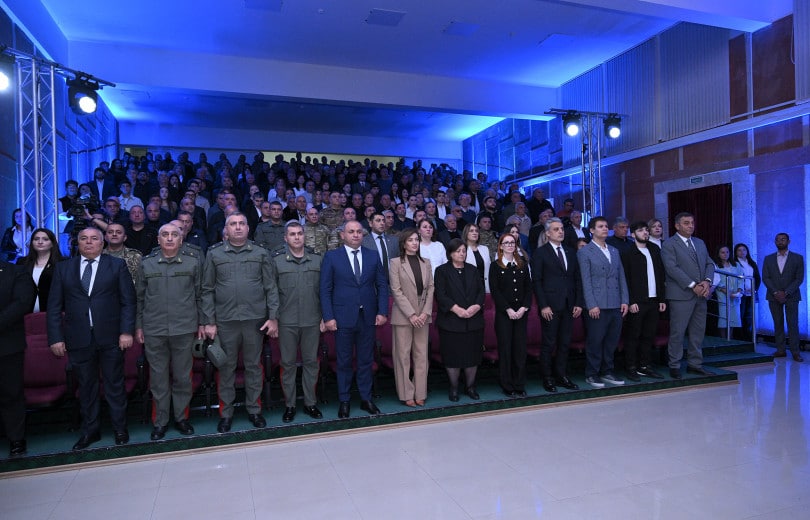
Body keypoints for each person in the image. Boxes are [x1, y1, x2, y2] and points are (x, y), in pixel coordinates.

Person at [47, 227, 136, 450]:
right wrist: (56, 338)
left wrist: (126, 331)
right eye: (84, 239)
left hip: (111, 337)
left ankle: (119, 428)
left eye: (94, 239)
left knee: (114, 385)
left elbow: (128, 301)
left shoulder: (116, 265)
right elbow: (54, 307)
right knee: (86, 387)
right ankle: (90, 431)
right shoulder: (63, 268)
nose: (89, 242)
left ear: (102, 242)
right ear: (76, 243)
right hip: (78, 338)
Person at [201, 213, 277, 432]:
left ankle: (254, 410)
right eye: (233, 224)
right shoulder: (214, 254)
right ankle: (226, 414)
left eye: (242, 223)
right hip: (226, 322)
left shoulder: (261, 253)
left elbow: (271, 287)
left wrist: (273, 318)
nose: (237, 227)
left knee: (254, 367)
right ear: (226, 229)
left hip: (255, 321)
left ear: (248, 228)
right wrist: (209, 321)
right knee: (226, 368)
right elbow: (207, 290)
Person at [136, 223, 203, 440]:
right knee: (158, 379)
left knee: (183, 377)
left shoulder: (193, 263)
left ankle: (181, 418)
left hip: (183, 328)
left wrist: (202, 323)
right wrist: (138, 326)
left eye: (174, 235)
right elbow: (139, 299)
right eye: (165, 235)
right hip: (154, 329)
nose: (170, 238)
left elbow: (200, 296)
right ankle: (160, 422)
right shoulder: (146, 265)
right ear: (158, 240)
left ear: (181, 240)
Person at [320, 220, 389, 418]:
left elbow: (382, 286)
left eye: (359, 232)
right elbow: (325, 289)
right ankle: (344, 400)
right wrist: (328, 317)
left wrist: (382, 311)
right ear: (343, 235)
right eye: (351, 232)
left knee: (366, 360)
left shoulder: (373, 256)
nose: (356, 235)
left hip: (368, 317)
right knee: (343, 361)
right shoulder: (332, 257)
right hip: (341, 319)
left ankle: (366, 399)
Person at [267, 222, 325, 423]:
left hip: (312, 320)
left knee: (311, 363)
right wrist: (273, 318)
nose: (297, 237)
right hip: (287, 321)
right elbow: (272, 292)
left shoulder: (317, 260)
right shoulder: (276, 262)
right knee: (288, 364)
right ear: (285, 238)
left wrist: (325, 317)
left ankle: (310, 403)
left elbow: (324, 292)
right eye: (292, 234)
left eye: (300, 233)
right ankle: (290, 405)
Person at [660, 212, 715, 378]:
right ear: (677, 226)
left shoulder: (699, 242)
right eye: (686, 223)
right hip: (681, 295)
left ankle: (695, 364)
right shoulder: (669, 244)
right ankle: (674, 365)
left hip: (701, 294)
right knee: (678, 331)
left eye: (692, 222)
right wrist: (692, 285)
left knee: (698, 332)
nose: (690, 225)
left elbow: (709, 263)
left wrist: (706, 281)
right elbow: (672, 268)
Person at [531, 217, 583, 393]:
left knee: (564, 342)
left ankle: (561, 375)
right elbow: (536, 281)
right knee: (549, 343)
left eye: (561, 229)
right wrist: (543, 305)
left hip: (569, 305)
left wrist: (578, 302)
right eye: (556, 229)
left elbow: (576, 279)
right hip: (550, 307)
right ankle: (547, 377)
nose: (560, 232)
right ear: (547, 233)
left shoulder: (570, 251)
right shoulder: (540, 253)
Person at [577, 216, 629, 388]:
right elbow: (585, 280)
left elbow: (621, 277)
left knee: (612, 340)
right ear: (591, 230)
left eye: (606, 226)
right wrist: (591, 304)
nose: (605, 229)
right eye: (600, 226)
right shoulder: (585, 252)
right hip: (596, 305)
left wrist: (625, 300)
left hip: (615, 302)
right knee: (595, 340)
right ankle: (592, 373)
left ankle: (607, 371)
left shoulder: (614, 250)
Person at [434, 239, 485, 401]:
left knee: (472, 356)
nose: (461, 253)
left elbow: (481, 291)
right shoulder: (442, 271)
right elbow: (440, 295)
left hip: (473, 320)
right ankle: (454, 388)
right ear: (450, 253)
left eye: (463, 251)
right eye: (458, 251)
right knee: (453, 357)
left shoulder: (473, 270)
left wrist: (476, 306)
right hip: (451, 321)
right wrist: (457, 309)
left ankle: (470, 387)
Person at [388, 228, 434, 407]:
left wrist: (424, 313)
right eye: (411, 240)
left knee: (422, 355)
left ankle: (420, 392)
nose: (415, 243)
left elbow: (431, 288)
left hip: (423, 315)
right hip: (403, 316)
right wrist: (412, 314)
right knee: (403, 355)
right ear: (404, 243)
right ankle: (406, 394)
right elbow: (396, 291)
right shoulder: (395, 263)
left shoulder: (426, 262)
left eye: (416, 240)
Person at [620, 221, 666, 382]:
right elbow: (625, 279)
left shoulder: (654, 249)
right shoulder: (627, 252)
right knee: (633, 336)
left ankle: (645, 366)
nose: (645, 233)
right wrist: (630, 300)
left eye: (647, 230)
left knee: (649, 335)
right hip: (637, 302)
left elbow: (660, 276)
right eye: (641, 231)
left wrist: (661, 298)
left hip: (654, 300)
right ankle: (631, 367)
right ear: (633, 235)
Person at [0, 259, 36, 456]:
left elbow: (22, 302)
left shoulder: (16, 271)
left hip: (7, 345)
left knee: (11, 393)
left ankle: (16, 439)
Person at [489, 234, 532, 397]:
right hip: (504, 314)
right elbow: (495, 291)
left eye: (512, 243)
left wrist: (524, 308)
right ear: (500, 246)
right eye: (506, 243)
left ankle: (519, 384)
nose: (509, 245)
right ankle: (507, 385)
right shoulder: (495, 266)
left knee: (520, 350)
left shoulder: (522, 264)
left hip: (521, 313)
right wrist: (507, 309)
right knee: (506, 349)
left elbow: (529, 289)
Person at [762, 233, 805, 362]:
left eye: (783, 239)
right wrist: (776, 292)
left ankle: (795, 352)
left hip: (791, 296)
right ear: (775, 242)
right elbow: (766, 277)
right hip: (773, 296)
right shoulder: (768, 258)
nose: (780, 241)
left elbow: (799, 278)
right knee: (778, 323)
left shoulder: (797, 258)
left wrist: (786, 292)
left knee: (793, 324)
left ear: (788, 241)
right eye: (777, 240)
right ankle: (780, 350)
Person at [20, 228, 64, 312]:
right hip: (25, 311)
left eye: (45, 239)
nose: (40, 242)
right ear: (32, 242)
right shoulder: (22, 262)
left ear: (52, 243)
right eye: (36, 239)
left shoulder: (62, 263)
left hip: (53, 311)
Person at [733, 243, 760, 341]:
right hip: (741, 294)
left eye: (744, 250)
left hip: (752, 293)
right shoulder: (734, 263)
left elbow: (757, 278)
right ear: (736, 252)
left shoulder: (752, 263)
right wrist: (743, 288)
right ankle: (740, 338)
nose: (742, 252)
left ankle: (749, 337)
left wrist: (755, 289)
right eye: (739, 250)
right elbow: (735, 279)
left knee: (749, 316)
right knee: (740, 315)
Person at [714, 245, 743, 338]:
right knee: (723, 318)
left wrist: (739, 290)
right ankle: (723, 339)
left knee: (733, 318)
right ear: (718, 254)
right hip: (723, 294)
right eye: (722, 252)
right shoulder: (716, 266)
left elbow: (741, 278)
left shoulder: (736, 264)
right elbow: (716, 280)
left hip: (735, 295)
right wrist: (726, 291)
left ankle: (730, 338)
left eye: (727, 252)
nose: (725, 254)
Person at [362, 213, 398, 282]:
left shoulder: (394, 240)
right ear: (370, 224)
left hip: (392, 282)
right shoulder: (364, 242)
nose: (382, 223)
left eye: (383, 220)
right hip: (372, 283)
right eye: (378, 220)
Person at [462, 223, 491, 293]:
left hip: (485, 286)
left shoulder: (485, 249)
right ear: (466, 233)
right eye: (471, 231)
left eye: (476, 231)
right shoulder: (462, 249)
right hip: (468, 288)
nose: (475, 233)